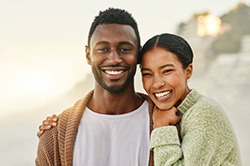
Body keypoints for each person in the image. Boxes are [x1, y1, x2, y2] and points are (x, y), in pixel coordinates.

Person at [35, 8, 156, 166]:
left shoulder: (168, 123)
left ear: (139, 55)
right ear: (88, 55)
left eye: (125, 49)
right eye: (103, 49)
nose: (114, 59)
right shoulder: (54, 136)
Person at [138, 33, 242, 165]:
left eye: (167, 71)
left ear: (188, 71)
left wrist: (161, 126)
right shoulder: (163, 112)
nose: (156, 83)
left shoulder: (204, 112)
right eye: (147, 74)